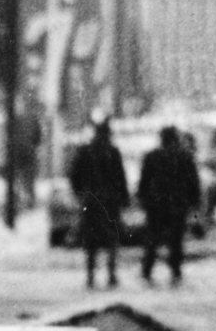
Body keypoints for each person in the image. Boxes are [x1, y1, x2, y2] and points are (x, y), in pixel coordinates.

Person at [138, 125, 202, 286]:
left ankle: (147, 269)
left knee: (152, 238)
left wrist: (143, 199)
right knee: (176, 239)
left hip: (156, 205)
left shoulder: (152, 156)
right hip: (177, 204)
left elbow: (144, 181)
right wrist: (194, 202)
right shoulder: (185, 157)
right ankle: (175, 270)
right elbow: (193, 182)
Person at [70, 118, 129, 290]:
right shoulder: (113, 152)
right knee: (111, 238)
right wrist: (123, 198)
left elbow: (75, 176)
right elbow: (120, 178)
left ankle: (90, 275)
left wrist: (81, 193)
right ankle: (111, 274)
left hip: (91, 201)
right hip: (110, 201)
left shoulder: (86, 151)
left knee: (91, 240)